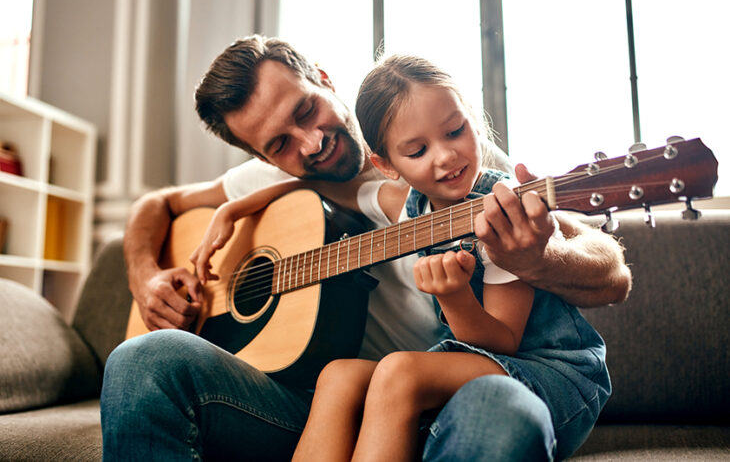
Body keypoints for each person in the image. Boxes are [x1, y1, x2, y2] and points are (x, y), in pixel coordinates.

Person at [101, 35, 631, 460]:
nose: (309, 143)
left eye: (306, 111)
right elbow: (157, 205)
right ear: (261, 158)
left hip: (457, 384)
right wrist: (148, 275)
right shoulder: (273, 185)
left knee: (481, 405)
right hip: (322, 403)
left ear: (325, 81)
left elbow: (605, 270)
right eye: (280, 145)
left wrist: (538, 258)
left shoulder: (455, 165)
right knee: (139, 360)